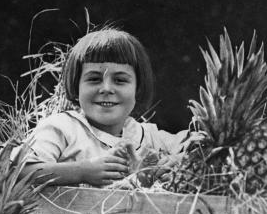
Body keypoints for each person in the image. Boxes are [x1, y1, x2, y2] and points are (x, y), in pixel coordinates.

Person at [21, 27, 188, 187]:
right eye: (94, 79)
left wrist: (178, 162)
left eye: (120, 80)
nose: (106, 89)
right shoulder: (63, 128)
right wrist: (82, 172)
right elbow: (19, 170)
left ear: (137, 88)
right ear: (76, 86)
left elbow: (202, 149)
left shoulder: (150, 136)